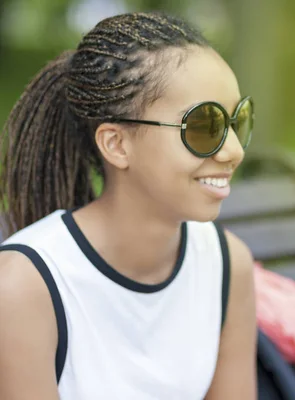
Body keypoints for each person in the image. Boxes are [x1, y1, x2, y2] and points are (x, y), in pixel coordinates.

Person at [0, 11, 257, 400]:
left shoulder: (227, 263)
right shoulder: (24, 287)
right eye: (205, 126)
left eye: (237, 121)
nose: (234, 151)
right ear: (117, 144)